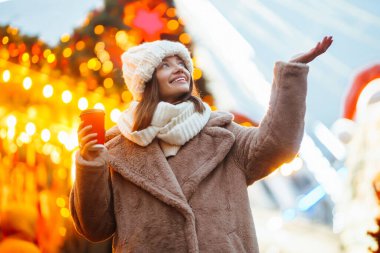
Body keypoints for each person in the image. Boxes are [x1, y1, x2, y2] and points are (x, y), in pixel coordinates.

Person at [70, 37, 333, 252]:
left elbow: (278, 145)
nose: (179, 68)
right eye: (165, 65)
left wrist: (290, 77)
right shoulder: (118, 149)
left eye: (181, 63)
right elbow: (95, 227)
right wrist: (91, 164)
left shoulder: (223, 134)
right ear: (146, 81)